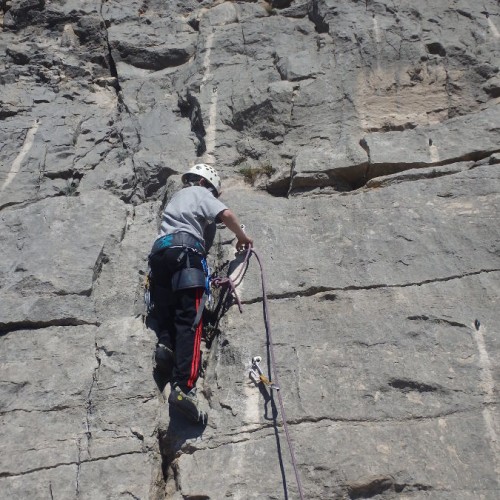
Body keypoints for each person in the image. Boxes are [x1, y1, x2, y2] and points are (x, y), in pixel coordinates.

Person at [148, 163, 253, 424]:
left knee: (167, 310)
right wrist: (242, 236)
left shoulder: (176, 198)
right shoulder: (201, 193)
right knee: (190, 321)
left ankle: (166, 346)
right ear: (206, 183)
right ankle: (184, 388)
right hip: (186, 255)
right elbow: (226, 215)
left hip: (160, 256)